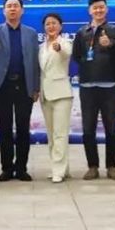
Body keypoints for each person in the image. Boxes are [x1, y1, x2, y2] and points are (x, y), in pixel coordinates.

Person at [0, 0, 40, 182]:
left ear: (22, 10)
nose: (12, 9)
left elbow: (35, 62)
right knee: (5, 128)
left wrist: (36, 87)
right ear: (4, 11)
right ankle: (7, 168)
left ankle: (21, 168)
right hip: (3, 86)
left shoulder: (31, 33)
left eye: (16, 6)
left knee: (23, 128)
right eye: (9, 6)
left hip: (24, 85)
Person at [72, 0, 115, 180]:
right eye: (95, 8)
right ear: (90, 11)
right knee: (88, 129)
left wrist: (111, 44)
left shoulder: (114, 30)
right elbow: (76, 55)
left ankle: (111, 166)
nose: (98, 10)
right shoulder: (82, 32)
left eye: (101, 7)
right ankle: (92, 166)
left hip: (109, 85)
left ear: (106, 9)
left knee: (111, 128)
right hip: (87, 86)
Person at [38, 12, 73, 183]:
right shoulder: (41, 47)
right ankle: (61, 168)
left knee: (60, 134)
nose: (51, 26)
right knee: (51, 134)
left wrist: (58, 48)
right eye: (47, 24)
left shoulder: (65, 42)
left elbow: (66, 53)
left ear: (60, 26)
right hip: (45, 94)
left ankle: (58, 170)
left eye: (54, 23)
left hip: (62, 94)